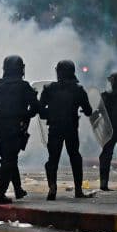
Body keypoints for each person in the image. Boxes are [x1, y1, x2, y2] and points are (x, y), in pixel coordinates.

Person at [0, 55, 40, 204]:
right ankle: (0, 195)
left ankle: (18, 189)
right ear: (21, 68)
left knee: (9, 158)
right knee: (9, 160)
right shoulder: (24, 86)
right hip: (14, 129)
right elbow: (36, 107)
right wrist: (25, 115)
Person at [39, 60, 94, 200]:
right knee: (75, 157)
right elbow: (88, 111)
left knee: (53, 159)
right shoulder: (78, 89)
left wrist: (50, 113)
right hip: (71, 128)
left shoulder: (49, 88)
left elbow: (40, 110)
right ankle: (78, 190)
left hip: (55, 128)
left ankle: (52, 188)